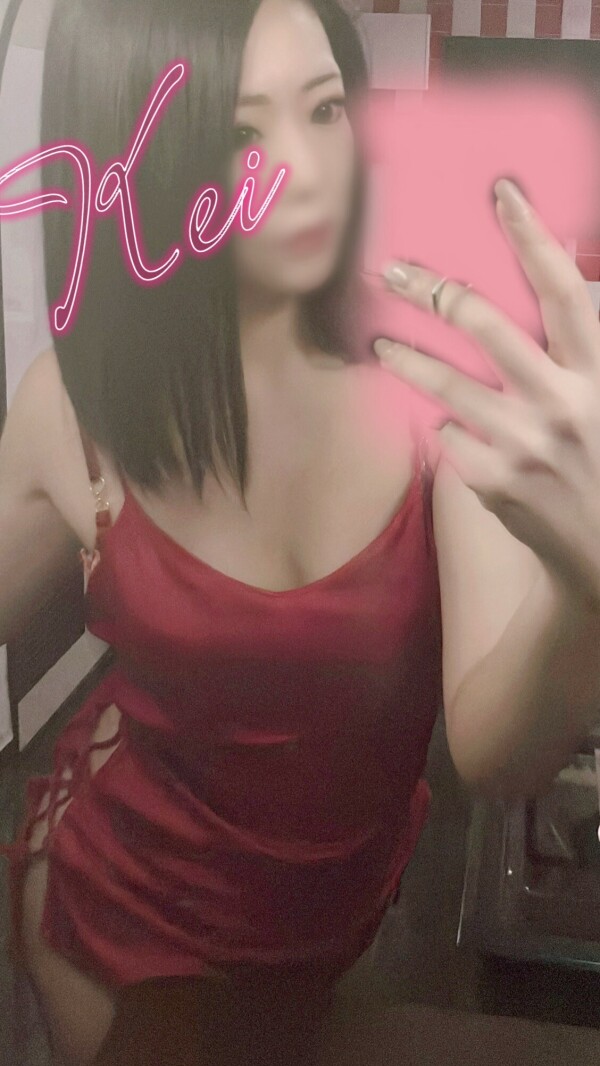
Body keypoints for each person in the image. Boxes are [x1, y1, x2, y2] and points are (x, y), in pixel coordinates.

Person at [3, 1, 600, 1064]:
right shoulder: (78, 404)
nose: (309, 171)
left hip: (332, 917)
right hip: (125, 923)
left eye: (325, 110)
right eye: (241, 132)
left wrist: (583, 585)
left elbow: (496, 749)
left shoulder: (430, 371)